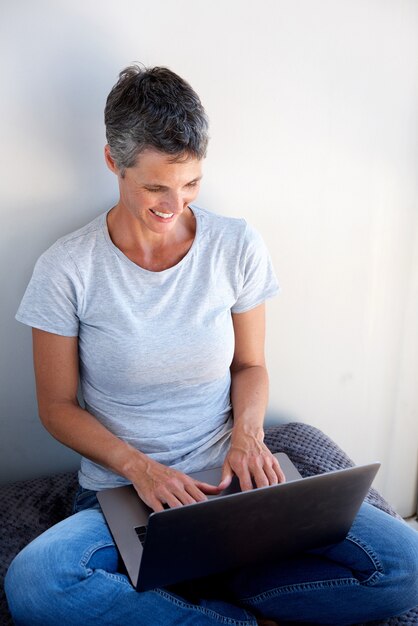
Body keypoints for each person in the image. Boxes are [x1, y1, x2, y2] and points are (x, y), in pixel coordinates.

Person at [5, 65, 418, 626]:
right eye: (155, 186)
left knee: (407, 565)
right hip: (127, 495)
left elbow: (250, 365)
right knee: (35, 585)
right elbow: (55, 407)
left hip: (236, 484)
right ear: (112, 161)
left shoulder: (236, 244)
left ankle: (217, 583)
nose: (174, 205)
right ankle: (242, 617)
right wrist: (140, 469)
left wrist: (248, 437)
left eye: (191, 184)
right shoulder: (66, 268)